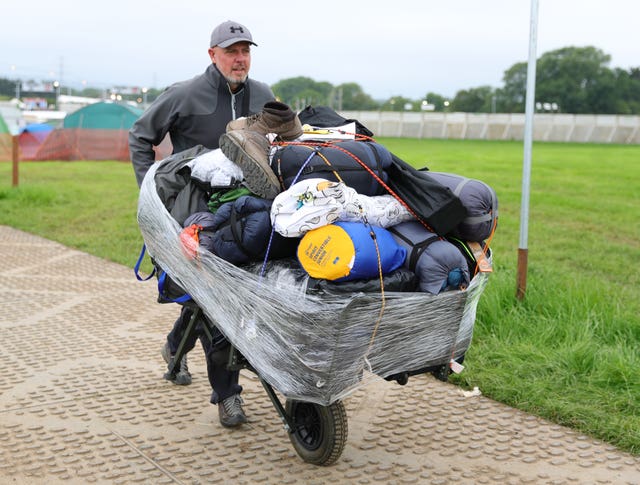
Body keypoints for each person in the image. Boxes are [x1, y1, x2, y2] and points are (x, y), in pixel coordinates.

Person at [129, 19, 276, 428]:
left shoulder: (263, 95)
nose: (240, 58)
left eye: (245, 51)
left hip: (246, 212)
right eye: (231, 51)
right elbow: (140, 136)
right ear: (213, 55)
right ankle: (227, 395)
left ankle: (176, 344)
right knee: (217, 302)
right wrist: (151, 192)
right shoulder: (183, 93)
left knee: (209, 298)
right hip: (193, 210)